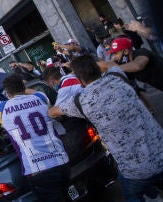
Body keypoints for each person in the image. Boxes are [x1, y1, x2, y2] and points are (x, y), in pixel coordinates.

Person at [49, 55, 163, 202]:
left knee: (132, 194)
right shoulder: (117, 77)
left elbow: (52, 112)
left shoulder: (81, 102)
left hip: (135, 170)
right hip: (160, 152)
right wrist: (87, 64)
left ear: (79, 79)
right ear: (97, 68)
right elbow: (109, 64)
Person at [0, 74, 70, 202]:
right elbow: (32, 91)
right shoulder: (40, 98)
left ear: (7, 92)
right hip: (61, 161)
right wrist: (21, 88)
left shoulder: (1, 108)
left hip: (38, 171)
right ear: (23, 86)